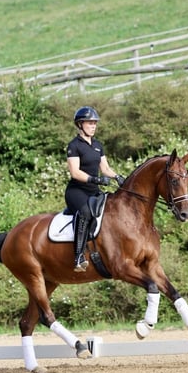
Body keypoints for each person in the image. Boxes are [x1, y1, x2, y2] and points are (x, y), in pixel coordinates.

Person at [65, 106, 125, 272]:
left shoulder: (98, 145)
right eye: (90, 123)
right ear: (80, 124)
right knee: (85, 212)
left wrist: (118, 177)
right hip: (77, 191)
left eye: (94, 123)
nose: (93, 126)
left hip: (93, 190)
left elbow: (105, 168)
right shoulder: (74, 146)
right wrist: (95, 179)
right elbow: (75, 172)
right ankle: (78, 255)